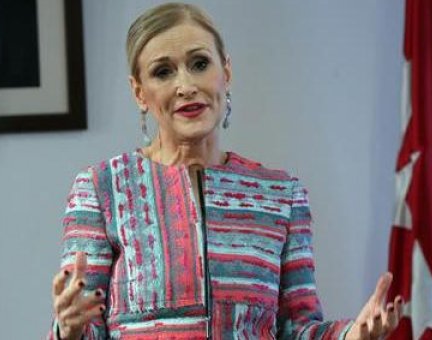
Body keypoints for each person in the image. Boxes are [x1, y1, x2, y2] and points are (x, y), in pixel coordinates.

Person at [48, 3, 402, 339]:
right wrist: (68, 328)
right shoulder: (101, 189)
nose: (186, 86)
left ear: (226, 72)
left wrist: (351, 333)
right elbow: (84, 326)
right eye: (163, 71)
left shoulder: (282, 195)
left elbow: (298, 329)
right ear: (139, 92)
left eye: (199, 63)